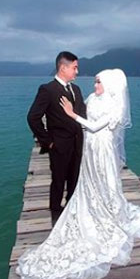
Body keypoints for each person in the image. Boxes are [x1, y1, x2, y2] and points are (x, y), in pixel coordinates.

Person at [16, 69, 140, 279]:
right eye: (96, 81)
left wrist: (72, 114)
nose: (95, 85)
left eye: (98, 82)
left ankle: (108, 211)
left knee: (105, 180)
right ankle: (88, 203)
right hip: (89, 147)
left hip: (101, 147)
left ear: (109, 85)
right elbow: (80, 116)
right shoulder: (92, 98)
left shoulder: (115, 105)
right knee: (89, 180)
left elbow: (95, 126)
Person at [27, 51, 87, 227]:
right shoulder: (48, 90)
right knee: (58, 181)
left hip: (77, 143)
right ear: (63, 68)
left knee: (74, 179)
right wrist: (48, 141)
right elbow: (33, 118)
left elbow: (82, 114)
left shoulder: (76, 90)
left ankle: (71, 208)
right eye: (75, 68)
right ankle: (55, 212)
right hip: (59, 145)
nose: (77, 71)